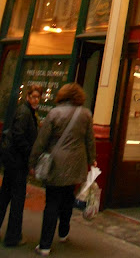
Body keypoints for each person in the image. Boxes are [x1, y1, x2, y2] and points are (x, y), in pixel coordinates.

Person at [29, 82, 96, 257]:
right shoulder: (86, 114)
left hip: (56, 164)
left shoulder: (54, 113)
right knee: (68, 199)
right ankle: (64, 232)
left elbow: (42, 140)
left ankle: (45, 245)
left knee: (52, 203)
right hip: (76, 164)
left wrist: (33, 161)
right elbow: (90, 140)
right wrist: (92, 160)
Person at [0, 84, 43, 246]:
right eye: (33, 96)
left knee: (5, 196)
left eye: (38, 97)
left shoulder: (28, 112)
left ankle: (12, 234)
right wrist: (30, 154)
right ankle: (13, 236)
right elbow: (18, 135)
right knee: (17, 199)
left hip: (13, 161)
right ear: (27, 96)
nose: (36, 100)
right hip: (17, 162)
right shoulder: (25, 112)